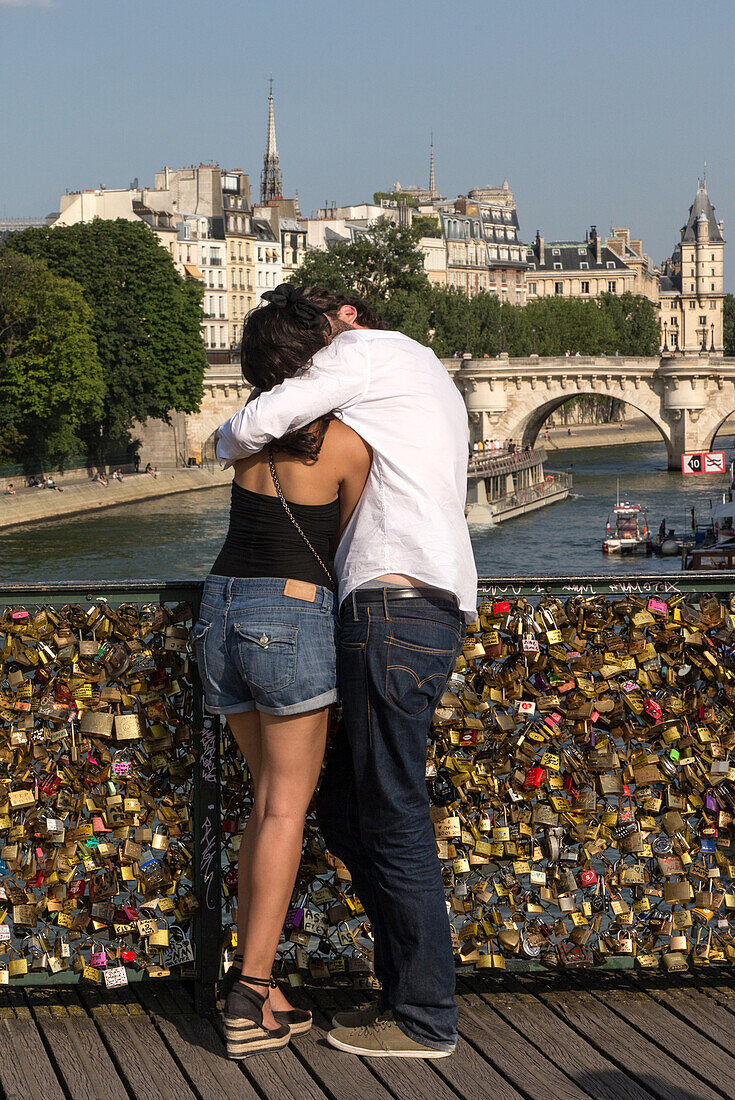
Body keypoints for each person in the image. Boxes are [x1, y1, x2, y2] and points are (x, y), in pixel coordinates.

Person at [217, 284, 477, 1060]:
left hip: (387, 608)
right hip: (406, 605)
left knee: (381, 813)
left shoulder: (359, 357)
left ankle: (421, 1012)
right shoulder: (396, 375)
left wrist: (234, 430)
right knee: (336, 810)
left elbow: (251, 425)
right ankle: (400, 985)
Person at [198, 287, 372, 1059]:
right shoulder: (345, 444)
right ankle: (250, 991)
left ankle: (258, 983)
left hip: (219, 611)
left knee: (266, 805)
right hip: (290, 618)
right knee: (282, 812)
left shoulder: (243, 439)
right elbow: (360, 547)